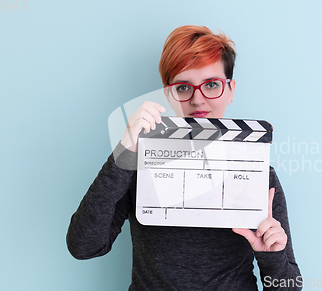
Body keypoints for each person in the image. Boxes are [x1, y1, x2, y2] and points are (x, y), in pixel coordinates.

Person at [67, 25, 302, 290]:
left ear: (230, 90)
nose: (198, 100)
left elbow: (288, 287)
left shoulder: (259, 174)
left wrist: (272, 255)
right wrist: (125, 151)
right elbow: (83, 246)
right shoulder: (136, 166)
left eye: (212, 84)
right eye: (183, 87)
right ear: (169, 94)